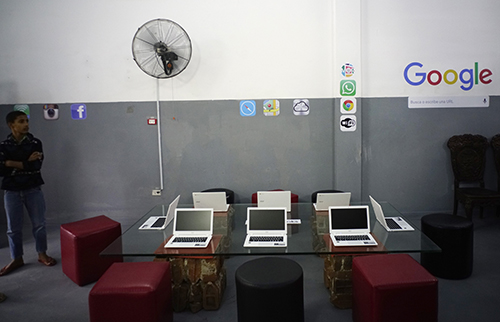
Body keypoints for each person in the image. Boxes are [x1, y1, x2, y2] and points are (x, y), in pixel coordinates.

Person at [0, 111, 56, 277]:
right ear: (12, 125)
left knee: (39, 224)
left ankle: (42, 253)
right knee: (13, 228)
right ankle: (17, 258)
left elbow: (36, 166)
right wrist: (24, 162)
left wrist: (10, 162)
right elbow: (1, 169)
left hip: (33, 188)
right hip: (12, 191)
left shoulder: (35, 143)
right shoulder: (3, 146)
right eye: (21, 121)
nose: (26, 124)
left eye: (27, 121)